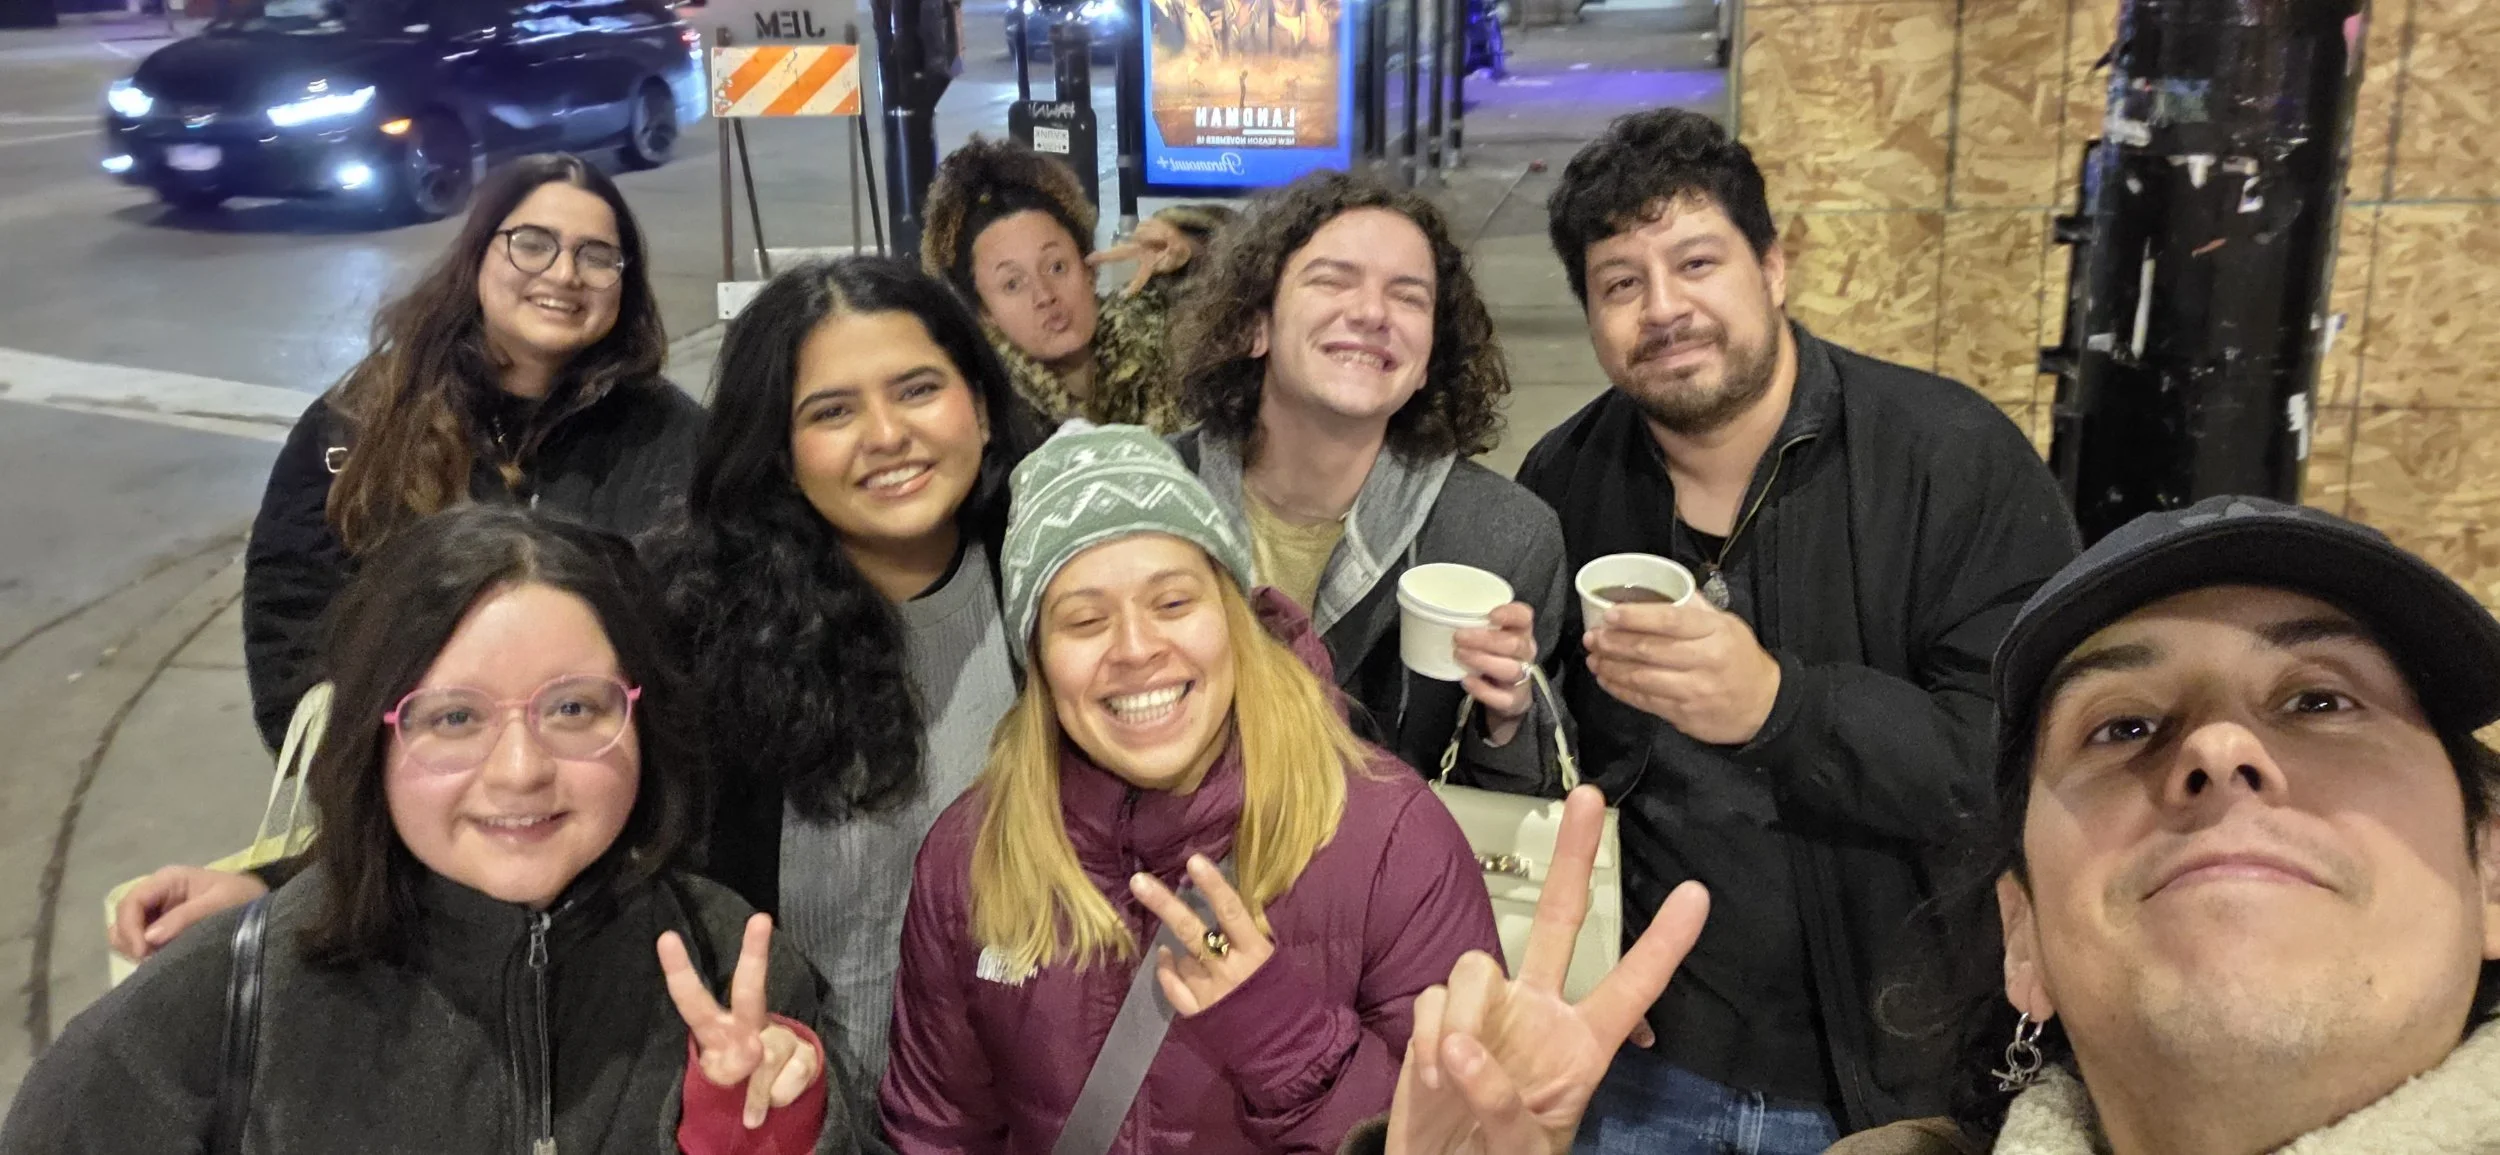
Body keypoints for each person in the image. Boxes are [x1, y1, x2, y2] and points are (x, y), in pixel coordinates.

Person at [1358, 495, 2500, 1155]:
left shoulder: (1942, 463)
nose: (2216, 750)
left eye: (2320, 702)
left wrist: (1780, 705)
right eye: (2123, 727)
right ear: (2023, 940)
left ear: (2490, 867)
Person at [1521, 107, 2080, 1148]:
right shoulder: (1565, 477)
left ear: (1772, 268)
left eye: (1696, 262)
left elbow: (2026, 762)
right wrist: (1514, 699)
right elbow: (1562, 769)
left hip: (1887, 1080)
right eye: (1620, 284)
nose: (1664, 309)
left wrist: (1780, 706)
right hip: (1642, 1064)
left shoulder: (1949, 460)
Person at [3, 505, 872, 1154]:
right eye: (453, 718)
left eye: (574, 707)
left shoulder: (732, 970)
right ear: (372, 739)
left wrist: (779, 1133)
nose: (521, 768)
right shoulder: (217, 1009)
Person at [118, 153, 706, 958]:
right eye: (532, 242)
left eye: (598, 255)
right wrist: (374, 801)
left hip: (611, 851)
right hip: (420, 846)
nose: (565, 273)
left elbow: (698, 643)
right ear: (477, 254)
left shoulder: (672, 438)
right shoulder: (359, 425)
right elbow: (292, 617)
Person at [878, 424, 1502, 1154]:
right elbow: (937, 1131)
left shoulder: (1391, 836)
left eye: (1173, 602)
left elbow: (1464, 1137)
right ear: (1039, 662)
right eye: (1083, 620)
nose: (1137, 648)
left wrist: (1286, 1036)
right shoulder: (968, 855)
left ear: (1233, 615)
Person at [641, 255, 1049, 1107]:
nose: (887, 434)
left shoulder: (1063, 584)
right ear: (782, 452)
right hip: (796, 1111)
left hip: (1032, 1106)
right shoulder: (696, 633)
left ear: (978, 403)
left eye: (917, 389)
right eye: (832, 410)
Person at [1169, 170, 1570, 787]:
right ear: (1257, 326)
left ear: (1427, 360)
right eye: (1332, 281)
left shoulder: (1502, 541)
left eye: (1409, 297)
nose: (1371, 312)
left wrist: (1507, 716)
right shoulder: (1155, 502)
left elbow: (1519, 797)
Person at [919, 136, 1233, 430]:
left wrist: (1193, 248)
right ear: (983, 311)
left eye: (1056, 267)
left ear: (1088, 266)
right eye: (1013, 284)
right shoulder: (990, 420)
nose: (1044, 295)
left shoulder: (1160, 330)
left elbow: (1260, 264)